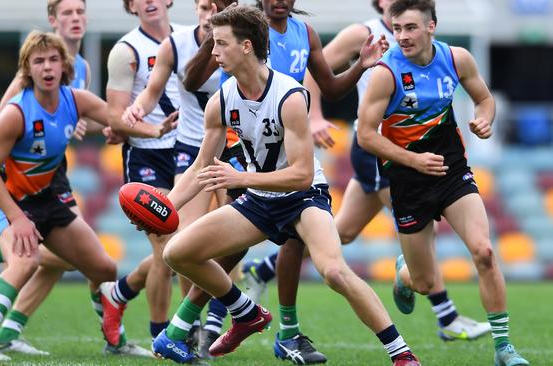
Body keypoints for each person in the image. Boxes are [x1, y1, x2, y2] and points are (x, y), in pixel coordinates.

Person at [150, 6, 420, 366]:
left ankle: (401, 355)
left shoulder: (290, 96)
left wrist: (242, 179)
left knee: (334, 271)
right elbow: (201, 165)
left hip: (303, 198)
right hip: (259, 201)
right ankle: (246, 312)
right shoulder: (221, 99)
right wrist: (166, 206)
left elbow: (301, 175)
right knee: (176, 253)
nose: (213, 53)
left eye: (220, 44)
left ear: (246, 46)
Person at [250, 0, 492, 344]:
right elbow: (312, 73)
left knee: (343, 233)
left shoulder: (424, 35)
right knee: (418, 227)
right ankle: (447, 315)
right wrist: (315, 115)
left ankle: (262, 270)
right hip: (379, 147)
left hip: (405, 148)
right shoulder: (361, 33)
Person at [0, 0, 149, 357]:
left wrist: (153, 130)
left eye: (80, 12)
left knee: (102, 266)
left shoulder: (78, 80)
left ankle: (110, 341)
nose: (76, 19)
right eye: (68, 13)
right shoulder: (19, 103)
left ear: (64, 65)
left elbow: (114, 119)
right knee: (29, 260)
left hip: (50, 180)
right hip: (12, 185)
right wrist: (17, 218)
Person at [356, 1, 529, 365]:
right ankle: (405, 275)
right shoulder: (386, 73)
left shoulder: (457, 58)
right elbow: (367, 136)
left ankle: (503, 347)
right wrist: (413, 159)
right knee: (423, 282)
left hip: (452, 172)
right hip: (407, 181)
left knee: (484, 252)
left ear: (431, 26)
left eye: (410, 28)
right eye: (397, 28)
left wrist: (485, 119)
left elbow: (484, 99)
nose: (401, 36)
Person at [104, 0, 181, 345]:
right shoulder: (126, 50)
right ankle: (161, 337)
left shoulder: (188, 38)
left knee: (190, 245)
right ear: (130, 5)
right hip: (147, 156)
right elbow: (115, 117)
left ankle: (119, 292)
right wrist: (155, 131)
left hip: (191, 152)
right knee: (167, 246)